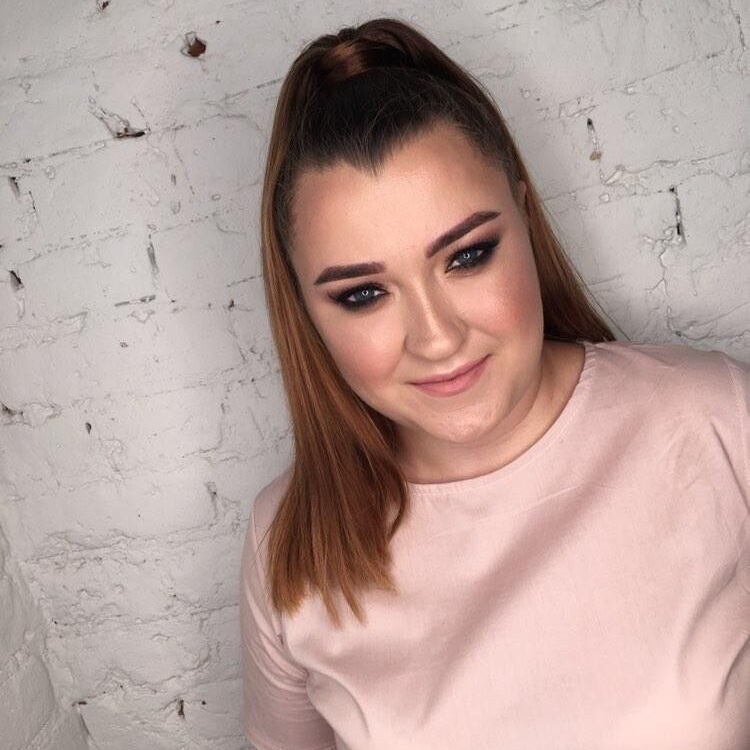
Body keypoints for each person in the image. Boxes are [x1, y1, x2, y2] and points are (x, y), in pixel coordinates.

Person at [240, 17, 750, 750]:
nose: (437, 338)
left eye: (468, 256)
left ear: (524, 213)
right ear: (305, 309)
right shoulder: (289, 545)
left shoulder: (715, 420)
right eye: (363, 294)